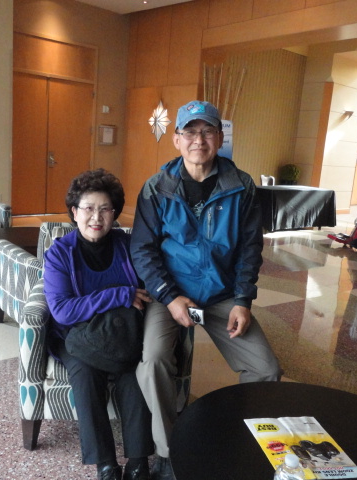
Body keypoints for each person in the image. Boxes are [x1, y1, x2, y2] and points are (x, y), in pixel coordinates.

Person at [130, 101, 282, 480]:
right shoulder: (157, 187)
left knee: (266, 369)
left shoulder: (241, 186)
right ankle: (168, 451)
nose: (199, 140)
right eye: (190, 132)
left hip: (221, 294)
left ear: (219, 137)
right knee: (153, 362)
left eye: (207, 131)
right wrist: (169, 297)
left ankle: (239, 437)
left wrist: (243, 301)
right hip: (170, 294)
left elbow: (249, 249)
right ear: (177, 139)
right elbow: (143, 250)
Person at [43, 169, 153, 480]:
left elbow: (147, 291)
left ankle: (138, 462)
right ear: (74, 212)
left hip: (122, 333)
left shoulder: (127, 246)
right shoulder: (60, 254)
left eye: (105, 209)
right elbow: (63, 311)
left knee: (134, 376)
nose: (96, 217)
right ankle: (105, 464)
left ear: (114, 213)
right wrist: (120, 294)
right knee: (85, 374)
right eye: (88, 208)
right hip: (76, 337)